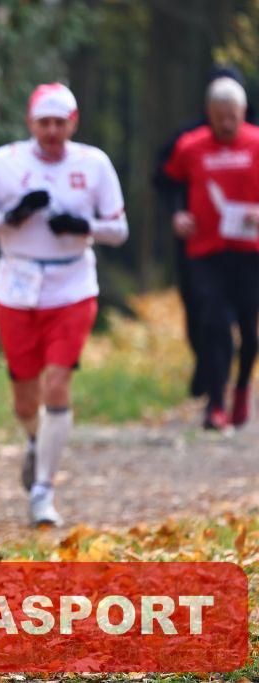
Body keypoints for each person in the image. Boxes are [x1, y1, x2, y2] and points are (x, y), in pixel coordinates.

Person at [0, 83, 128, 526]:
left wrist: (82, 225)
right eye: (44, 123)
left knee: (57, 384)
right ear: (30, 123)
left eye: (60, 123)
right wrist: (12, 217)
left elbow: (119, 229)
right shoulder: (5, 162)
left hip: (72, 286)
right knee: (25, 397)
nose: (52, 131)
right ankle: (37, 440)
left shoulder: (93, 164)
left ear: (73, 123)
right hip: (16, 287)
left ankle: (43, 490)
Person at [162, 77, 259, 430]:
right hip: (206, 251)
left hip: (250, 251)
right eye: (220, 117)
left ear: (243, 112)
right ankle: (216, 404)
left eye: (232, 116)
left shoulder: (257, 143)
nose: (227, 124)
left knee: (249, 330)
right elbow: (170, 183)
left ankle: (242, 387)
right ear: (209, 113)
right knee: (214, 324)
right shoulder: (190, 146)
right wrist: (178, 214)